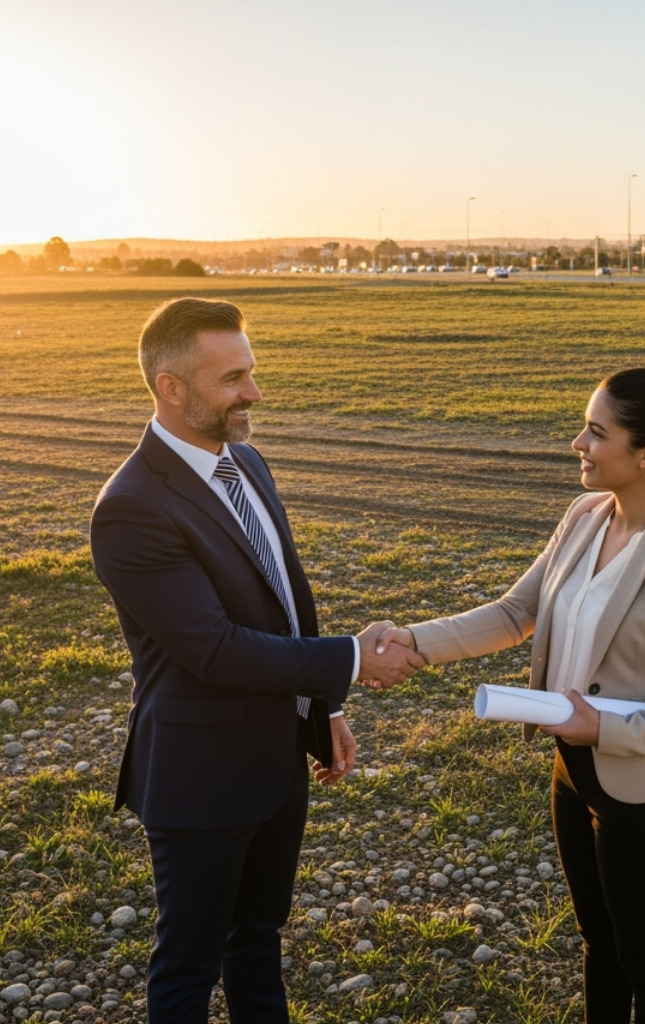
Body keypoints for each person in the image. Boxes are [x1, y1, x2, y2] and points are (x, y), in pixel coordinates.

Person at [373, 368, 645, 1024]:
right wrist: (414, 640)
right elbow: (517, 611)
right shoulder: (584, 516)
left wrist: (606, 731)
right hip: (572, 773)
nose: (578, 441)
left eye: (596, 432)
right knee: (598, 944)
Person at [89, 297, 422, 1024]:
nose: (254, 393)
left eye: (253, 371)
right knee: (188, 967)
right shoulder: (132, 506)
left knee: (259, 943)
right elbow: (211, 647)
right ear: (172, 389)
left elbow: (282, 602)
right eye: (234, 377)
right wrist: (353, 661)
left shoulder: (246, 462)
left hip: (277, 761)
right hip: (200, 776)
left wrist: (323, 708)